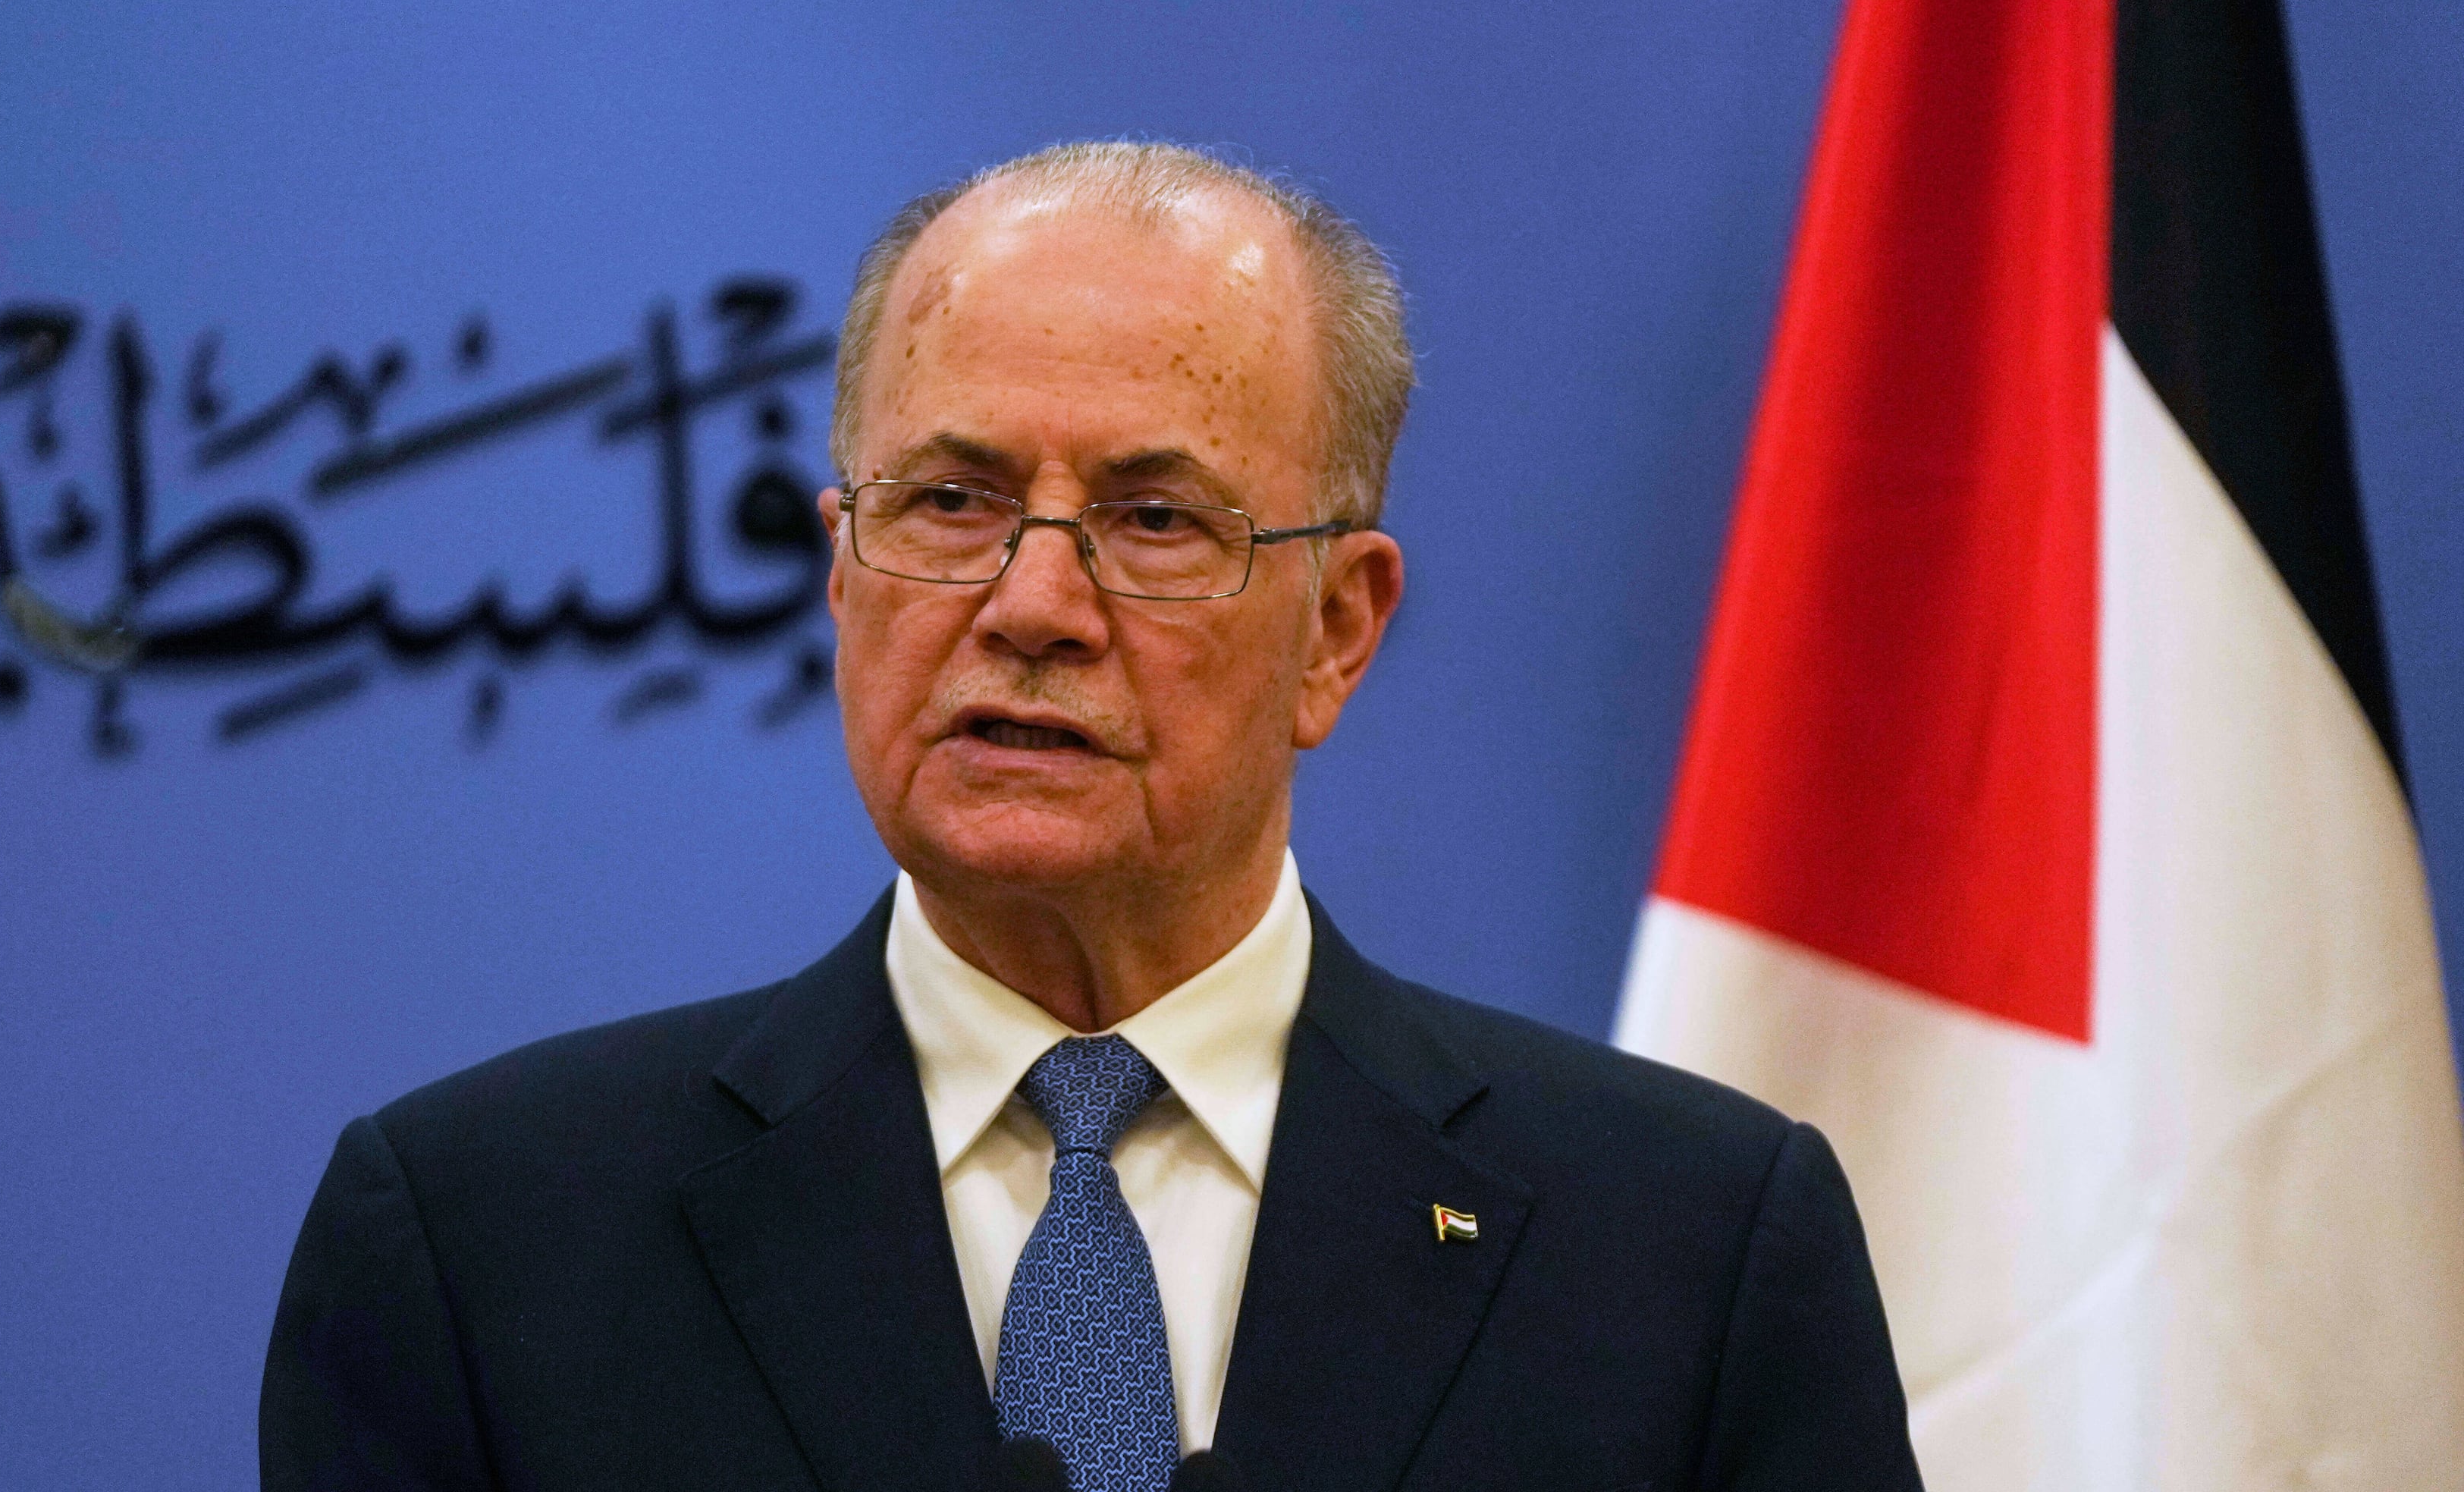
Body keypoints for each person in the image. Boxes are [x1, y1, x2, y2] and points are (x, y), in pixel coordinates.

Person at [260, 142, 1923, 1492]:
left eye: (1154, 519)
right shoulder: (484, 1243)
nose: (1032, 603)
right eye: (950, 501)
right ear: (842, 572)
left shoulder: (1689, 1249)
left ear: (1337, 631)